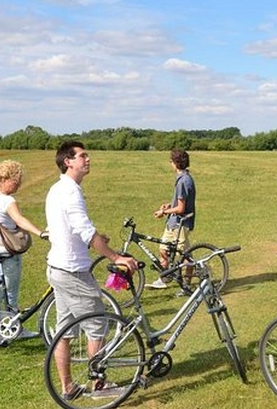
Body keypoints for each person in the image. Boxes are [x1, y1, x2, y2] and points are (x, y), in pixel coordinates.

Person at [45, 141, 138, 400]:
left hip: (57, 268)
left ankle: (67, 387)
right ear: (68, 162)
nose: (88, 159)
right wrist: (116, 256)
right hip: (73, 272)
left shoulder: (56, 189)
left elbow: (67, 228)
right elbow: (84, 231)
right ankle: (100, 385)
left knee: (65, 330)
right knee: (98, 325)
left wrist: (98, 239)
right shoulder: (71, 192)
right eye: (82, 156)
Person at [0, 159, 46, 342]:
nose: (19, 184)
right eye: (17, 180)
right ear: (6, 179)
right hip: (7, 254)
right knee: (10, 294)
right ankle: (16, 328)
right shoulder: (8, 201)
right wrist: (39, 232)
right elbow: (20, 220)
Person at [146, 148, 196, 293]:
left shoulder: (183, 181)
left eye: (171, 160)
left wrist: (164, 211)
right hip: (174, 223)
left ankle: (186, 286)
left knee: (185, 256)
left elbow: (181, 209)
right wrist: (169, 205)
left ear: (176, 163)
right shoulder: (183, 178)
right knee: (163, 248)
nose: (170, 163)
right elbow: (181, 203)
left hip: (180, 224)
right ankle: (164, 278)